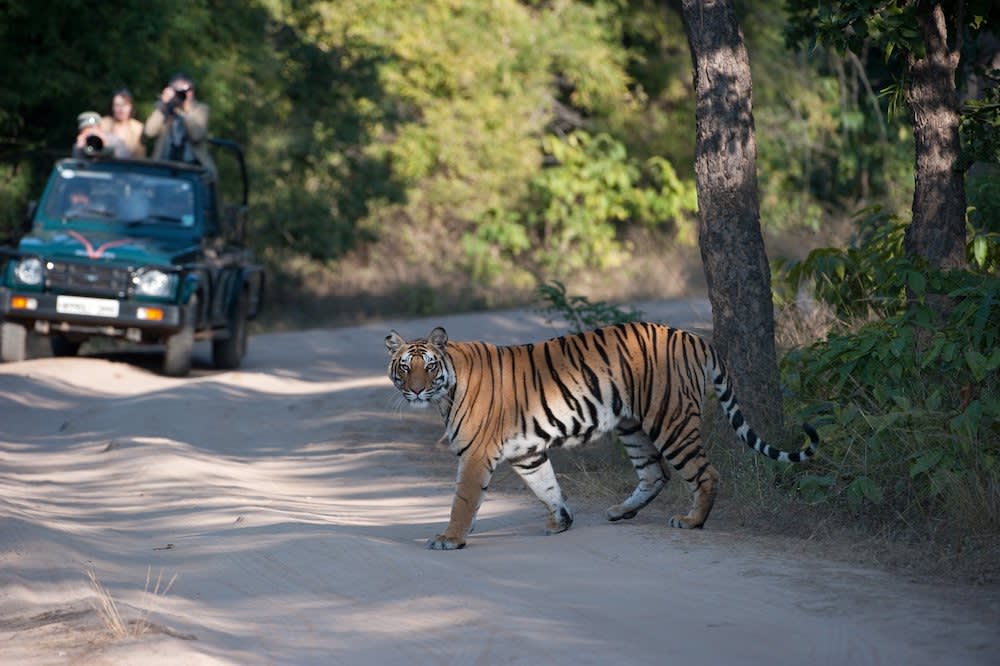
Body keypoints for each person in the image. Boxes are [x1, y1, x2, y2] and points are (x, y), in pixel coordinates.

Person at [143, 72, 215, 177]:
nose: (184, 94)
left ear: (193, 91)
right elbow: (149, 132)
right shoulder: (165, 109)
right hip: (164, 166)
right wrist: (164, 105)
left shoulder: (201, 109)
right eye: (179, 91)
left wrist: (185, 111)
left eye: (187, 90)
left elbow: (196, 136)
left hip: (192, 168)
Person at [102, 88, 146, 158]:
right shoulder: (103, 124)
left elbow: (140, 157)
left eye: (125, 105)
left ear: (131, 107)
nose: (121, 109)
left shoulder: (138, 128)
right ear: (112, 107)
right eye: (117, 105)